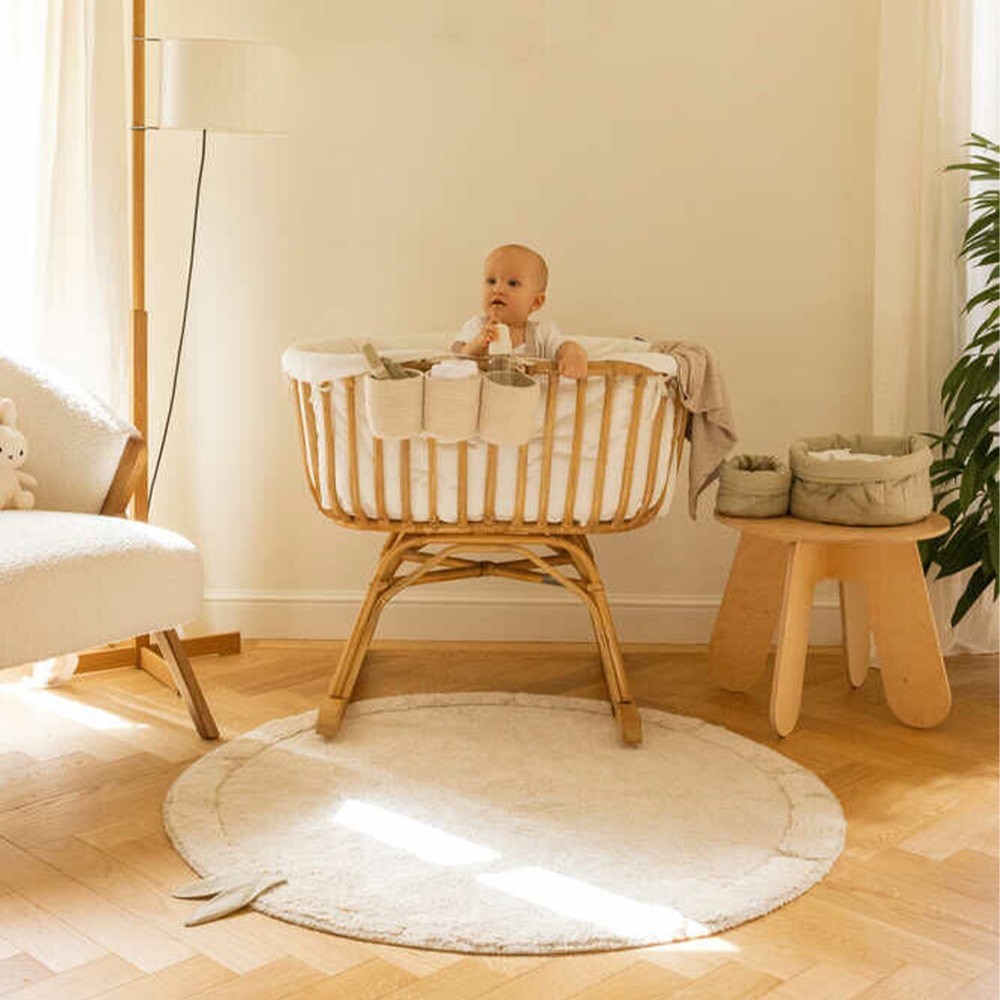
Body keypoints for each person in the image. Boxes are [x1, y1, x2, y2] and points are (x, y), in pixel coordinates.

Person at [450, 244, 589, 379]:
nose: (497, 289)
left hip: (529, 395)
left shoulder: (542, 333)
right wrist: (478, 344)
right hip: (487, 394)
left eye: (512, 283)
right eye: (491, 281)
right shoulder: (477, 326)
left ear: (536, 302)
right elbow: (459, 355)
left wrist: (574, 354)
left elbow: (563, 346)